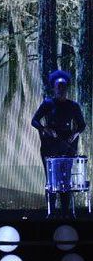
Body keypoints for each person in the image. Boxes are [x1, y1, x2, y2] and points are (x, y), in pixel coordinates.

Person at [32, 70, 86, 217]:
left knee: (65, 178)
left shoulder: (73, 106)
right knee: (51, 178)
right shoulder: (48, 103)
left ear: (66, 88)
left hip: (67, 147)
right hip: (50, 146)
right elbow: (34, 120)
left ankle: (65, 212)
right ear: (54, 88)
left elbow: (82, 125)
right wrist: (45, 129)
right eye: (58, 86)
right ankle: (51, 212)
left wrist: (74, 134)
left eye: (63, 86)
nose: (61, 89)